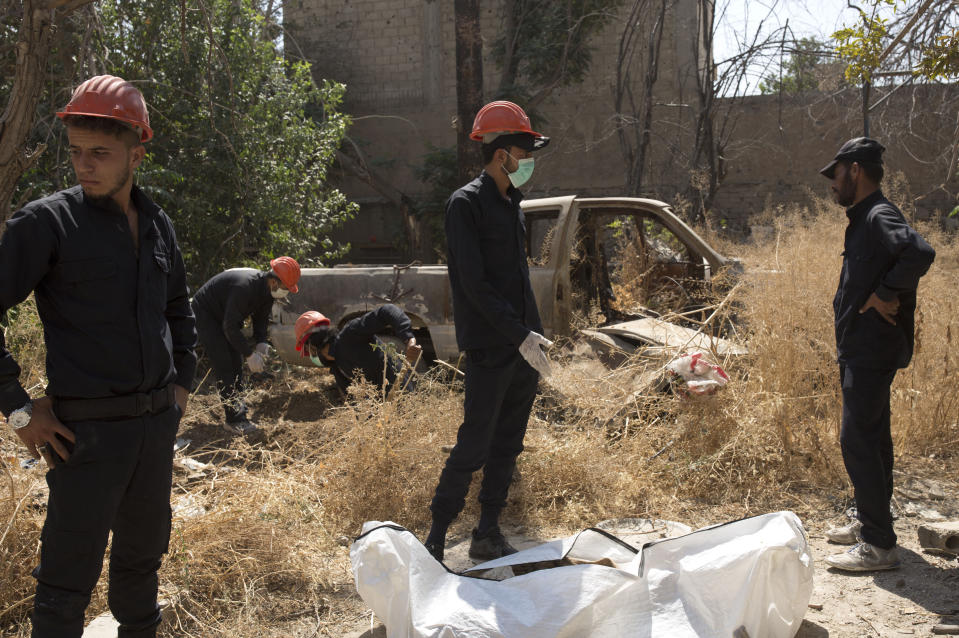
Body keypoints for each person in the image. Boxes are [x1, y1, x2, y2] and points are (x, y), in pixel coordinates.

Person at [0, 75, 196, 637]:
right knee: (65, 583)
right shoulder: (47, 223)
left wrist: (179, 388)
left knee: (141, 566)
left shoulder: (157, 225)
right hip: (83, 436)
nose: (85, 166)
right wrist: (18, 407)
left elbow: (180, 311)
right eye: (78, 153)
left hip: (154, 431)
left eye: (101, 154)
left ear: (137, 153)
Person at [423, 101, 553, 563]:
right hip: (491, 346)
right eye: (525, 151)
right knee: (475, 442)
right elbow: (473, 284)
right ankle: (436, 538)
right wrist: (516, 333)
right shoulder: (466, 204)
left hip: (522, 345)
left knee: (509, 442)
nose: (529, 161)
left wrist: (532, 336)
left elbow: (516, 279)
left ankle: (487, 532)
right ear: (502, 155)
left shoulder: (512, 204)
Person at [819, 137, 935, 572]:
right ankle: (873, 521)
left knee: (857, 439)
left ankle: (878, 544)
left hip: (871, 348)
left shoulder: (879, 214)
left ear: (855, 170)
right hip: (862, 347)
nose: (832, 184)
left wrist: (886, 293)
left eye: (836, 174)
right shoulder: (864, 217)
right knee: (873, 437)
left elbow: (920, 252)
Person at [191, 257, 300, 434]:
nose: (286, 292)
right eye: (285, 288)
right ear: (273, 281)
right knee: (225, 363)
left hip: (226, 317)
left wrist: (261, 342)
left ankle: (238, 409)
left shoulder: (267, 292)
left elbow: (261, 319)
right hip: (206, 315)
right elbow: (229, 326)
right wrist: (249, 354)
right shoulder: (244, 287)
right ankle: (234, 420)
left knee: (236, 363)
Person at [294, 305, 422, 395]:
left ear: (312, 346)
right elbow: (355, 403)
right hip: (383, 418)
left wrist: (409, 339)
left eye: (308, 350)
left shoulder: (351, 334)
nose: (310, 355)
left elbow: (387, 311)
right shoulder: (337, 368)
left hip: (403, 397)